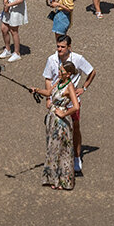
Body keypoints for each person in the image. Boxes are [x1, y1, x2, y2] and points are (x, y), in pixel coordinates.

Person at [40, 35, 94, 178]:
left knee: (75, 128)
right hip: (56, 100)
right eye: (58, 46)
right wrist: (48, 98)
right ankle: (57, 160)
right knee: (55, 130)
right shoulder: (51, 59)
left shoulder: (78, 59)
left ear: (69, 47)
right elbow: (48, 78)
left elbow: (92, 72)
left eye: (62, 47)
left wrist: (84, 88)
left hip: (71, 101)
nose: (59, 50)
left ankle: (76, 157)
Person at [40, 60, 82, 190]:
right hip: (52, 120)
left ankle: (63, 181)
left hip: (61, 123)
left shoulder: (69, 87)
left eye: (61, 71)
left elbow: (75, 106)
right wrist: (36, 90)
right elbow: (49, 93)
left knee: (61, 150)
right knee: (52, 148)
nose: (58, 73)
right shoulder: (59, 82)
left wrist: (64, 114)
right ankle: (53, 178)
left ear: (68, 74)